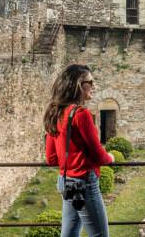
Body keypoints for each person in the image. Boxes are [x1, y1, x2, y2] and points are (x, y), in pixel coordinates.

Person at [44, 64, 114, 237]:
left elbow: (52, 158)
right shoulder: (81, 114)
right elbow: (99, 156)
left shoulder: (56, 112)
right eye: (90, 82)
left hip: (66, 180)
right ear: (78, 85)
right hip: (83, 182)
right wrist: (110, 157)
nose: (94, 85)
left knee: (69, 233)